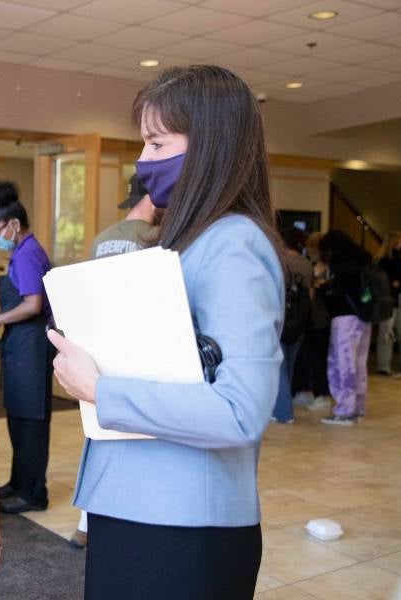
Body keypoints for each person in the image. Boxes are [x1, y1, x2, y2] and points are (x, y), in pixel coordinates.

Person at [47, 65, 284, 600]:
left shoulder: (234, 245)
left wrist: (101, 388)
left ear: (211, 147)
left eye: (157, 144)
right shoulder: (188, 240)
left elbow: (240, 410)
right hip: (140, 508)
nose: (143, 161)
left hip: (182, 526)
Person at [71, 175, 157, 549]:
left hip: (99, 355)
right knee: (138, 442)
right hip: (140, 356)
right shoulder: (158, 241)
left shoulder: (102, 239)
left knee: (99, 435)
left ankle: (86, 523)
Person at [0, 181, 54, 515]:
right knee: (18, 419)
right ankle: (18, 482)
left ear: (13, 225)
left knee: (30, 423)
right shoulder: (20, 252)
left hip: (32, 345)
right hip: (21, 345)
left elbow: (32, 304)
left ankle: (34, 492)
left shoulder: (27, 255)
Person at [317, 230, 373, 426]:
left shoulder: (341, 265)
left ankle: (344, 411)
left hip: (344, 320)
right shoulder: (361, 262)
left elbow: (336, 296)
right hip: (363, 319)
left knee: (342, 365)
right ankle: (357, 408)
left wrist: (323, 289)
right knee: (359, 365)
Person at [272, 228, 313, 424]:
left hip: (282, 319)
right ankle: (284, 406)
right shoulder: (307, 264)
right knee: (289, 366)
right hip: (299, 323)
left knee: (279, 369)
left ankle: (282, 411)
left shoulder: (278, 262)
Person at [292, 232, 332, 411]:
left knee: (318, 358)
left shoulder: (324, 267)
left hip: (320, 319)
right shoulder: (312, 265)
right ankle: (309, 389)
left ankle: (322, 393)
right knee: (309, 356)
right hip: (312, 318)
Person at [376, 231, 401, 375]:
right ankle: (384, 366)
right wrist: (395, 284)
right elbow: (385, 281)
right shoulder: (384, 260)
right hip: (388, 301)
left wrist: (400, 284)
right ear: (395, 242)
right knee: (387, 333)